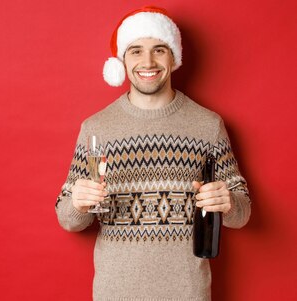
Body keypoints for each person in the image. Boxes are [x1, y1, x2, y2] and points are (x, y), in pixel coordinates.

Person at [54, 6, 251, 301]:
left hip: (187, 293)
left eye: (159, 49)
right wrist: (77, 204)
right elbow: (68, 219)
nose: (148, 61)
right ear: (122, 60)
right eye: (136, 51)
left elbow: (242, 213)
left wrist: (229, 202)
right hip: (115, 293)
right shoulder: (97, 128)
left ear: (173, 57)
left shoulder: (207, 126)